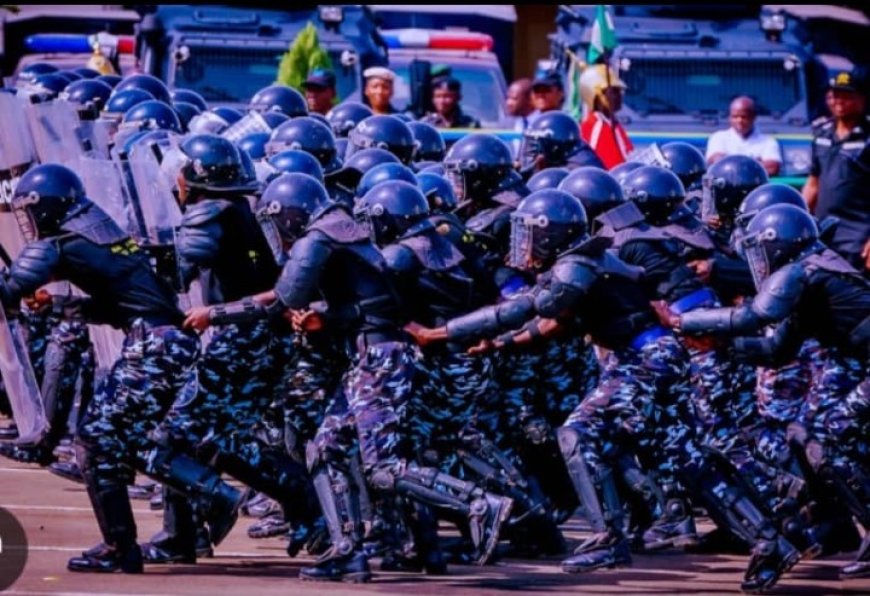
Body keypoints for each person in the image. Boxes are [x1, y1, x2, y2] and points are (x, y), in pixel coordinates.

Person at [802, 68, 870, 272]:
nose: (838, 101)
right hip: (823, 232)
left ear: (861, 99)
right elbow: (813, 184)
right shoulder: (821, 133)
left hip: (857, 235)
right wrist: (799, 218)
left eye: (846, 95)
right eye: (834, 95)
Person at [706, 96, 782, 176]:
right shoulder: (718, 137)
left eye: (744, 117)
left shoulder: (768, 141)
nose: (739, 120)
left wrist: (731, 164)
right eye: (735, 117)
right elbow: (717, 162)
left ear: (753, 117)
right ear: (729, 117)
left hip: (756, 187)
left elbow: (773, 167)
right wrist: (756, 163)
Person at [579, 64, 633, 170]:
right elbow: (612, 167)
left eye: (618, 91)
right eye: (613, 92)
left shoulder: (612, 123)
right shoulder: (595, 126)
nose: (618, 96)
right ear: (595, 96)